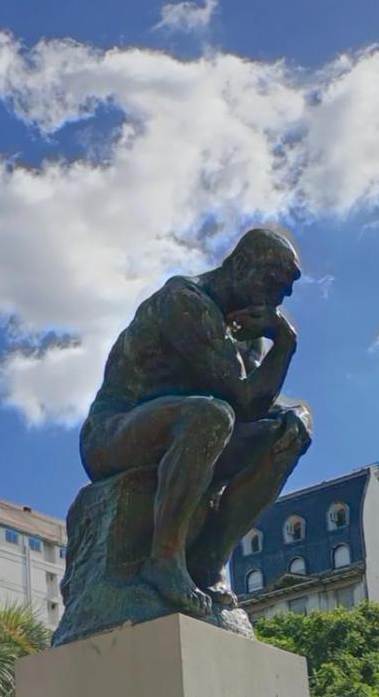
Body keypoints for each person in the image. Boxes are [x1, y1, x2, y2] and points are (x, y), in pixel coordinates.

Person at [78, 227, 310, 616]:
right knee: (212, 415)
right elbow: (245, 401)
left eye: (284, 293)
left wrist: (297, 414)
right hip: (113, 434)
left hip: (189, 428)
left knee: (289, 432)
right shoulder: (185, 300)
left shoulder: (247, 332)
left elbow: (260, 404)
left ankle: (207, 560)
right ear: (242, 264)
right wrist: (285, 344)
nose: (276, 299)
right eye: (272, 283)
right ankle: (164, 559)